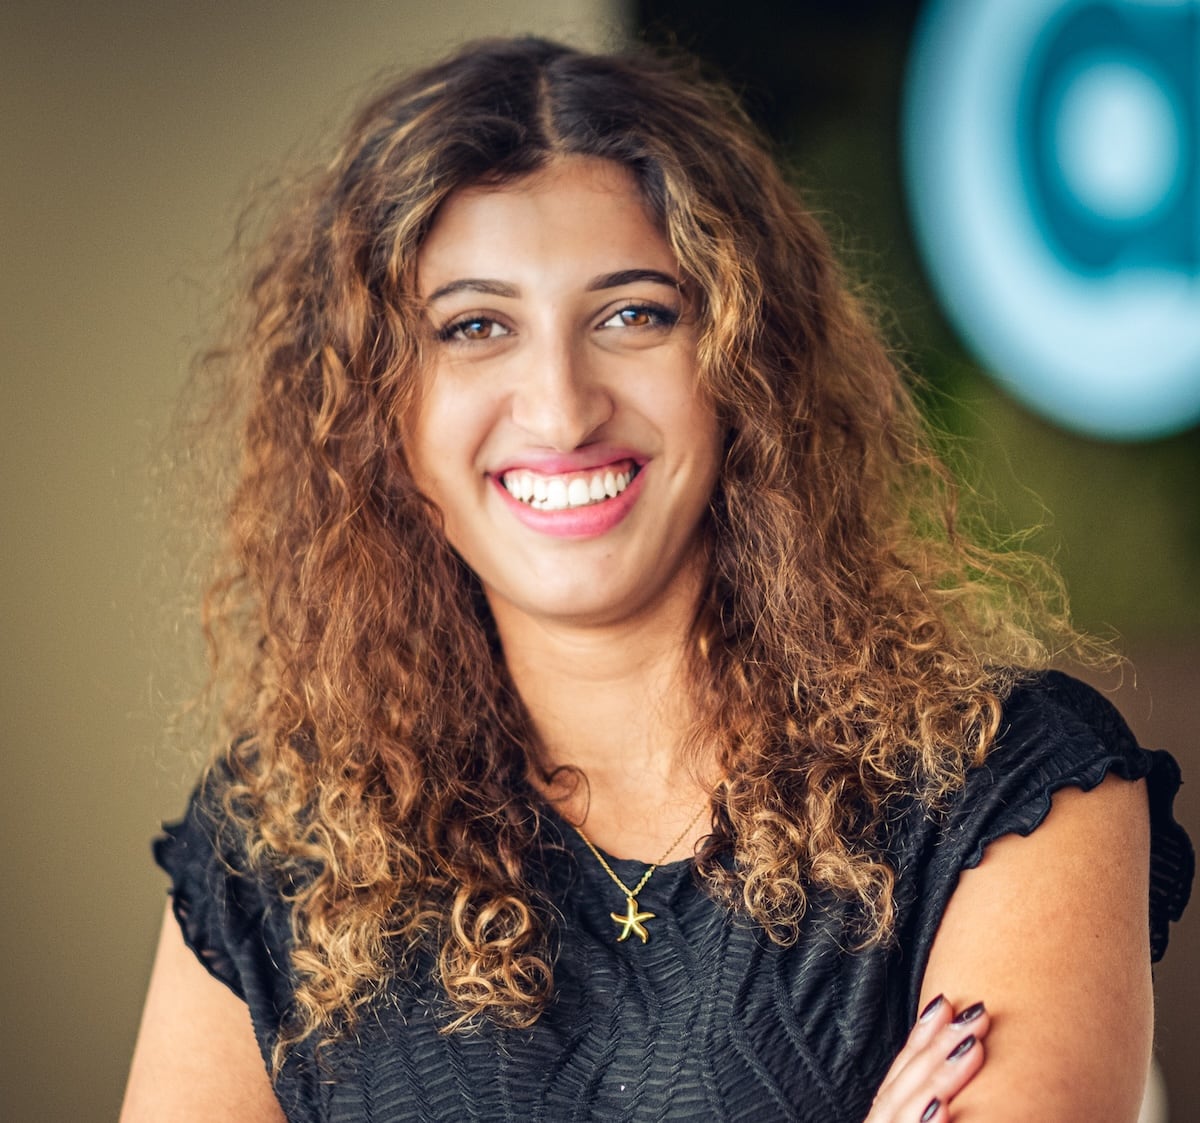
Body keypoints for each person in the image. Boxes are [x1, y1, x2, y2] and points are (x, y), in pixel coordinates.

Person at [121, 37, 1192, 1123]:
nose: (561, 408)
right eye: (476, 327)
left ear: (745, 363)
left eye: (634, 313)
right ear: (374, 410)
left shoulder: (1009, 789)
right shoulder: (272, 850)